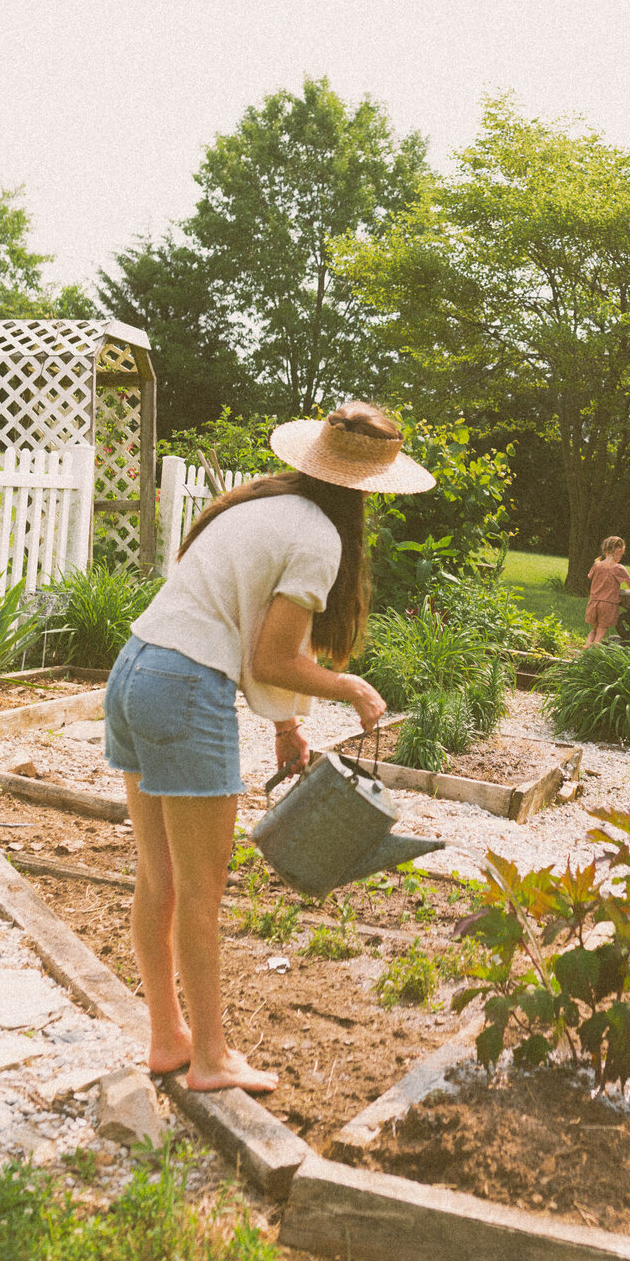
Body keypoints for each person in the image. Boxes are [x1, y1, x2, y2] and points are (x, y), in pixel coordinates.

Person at [102, 402, 434, 1095]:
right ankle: (213, 1059)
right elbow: (274, 657)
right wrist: (350, 687)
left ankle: (168, 1037)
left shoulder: (257, 503)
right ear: (371, 486)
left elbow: (245, 621)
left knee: (157, 875)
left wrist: (286, 727)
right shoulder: (320, 537)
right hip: (187, 686)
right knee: (201, 888)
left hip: (135, 671)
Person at [584, 535, 630, 645]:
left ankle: (587, 645)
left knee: (594, 629)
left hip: (594, 603)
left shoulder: (597, 565)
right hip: (607, 605)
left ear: (605, 551)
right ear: (618, 550)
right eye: (622, 553)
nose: (621, 556)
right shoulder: (618, 568)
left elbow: (589, 576)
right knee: (602, 631)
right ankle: (593, 651)